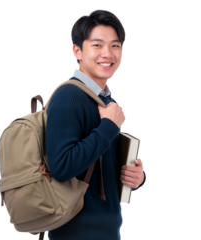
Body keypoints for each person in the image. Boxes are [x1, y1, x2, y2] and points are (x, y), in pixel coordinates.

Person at [46, 7, 146, 240]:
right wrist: (109, 127)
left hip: (107, 232)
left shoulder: (107, 99)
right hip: (75, 234)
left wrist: (137, 179)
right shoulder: (68, 97)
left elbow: (102, 165)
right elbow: (61, 168)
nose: (108, 54)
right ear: (77, 51)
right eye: (98, 45)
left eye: (115, 45)